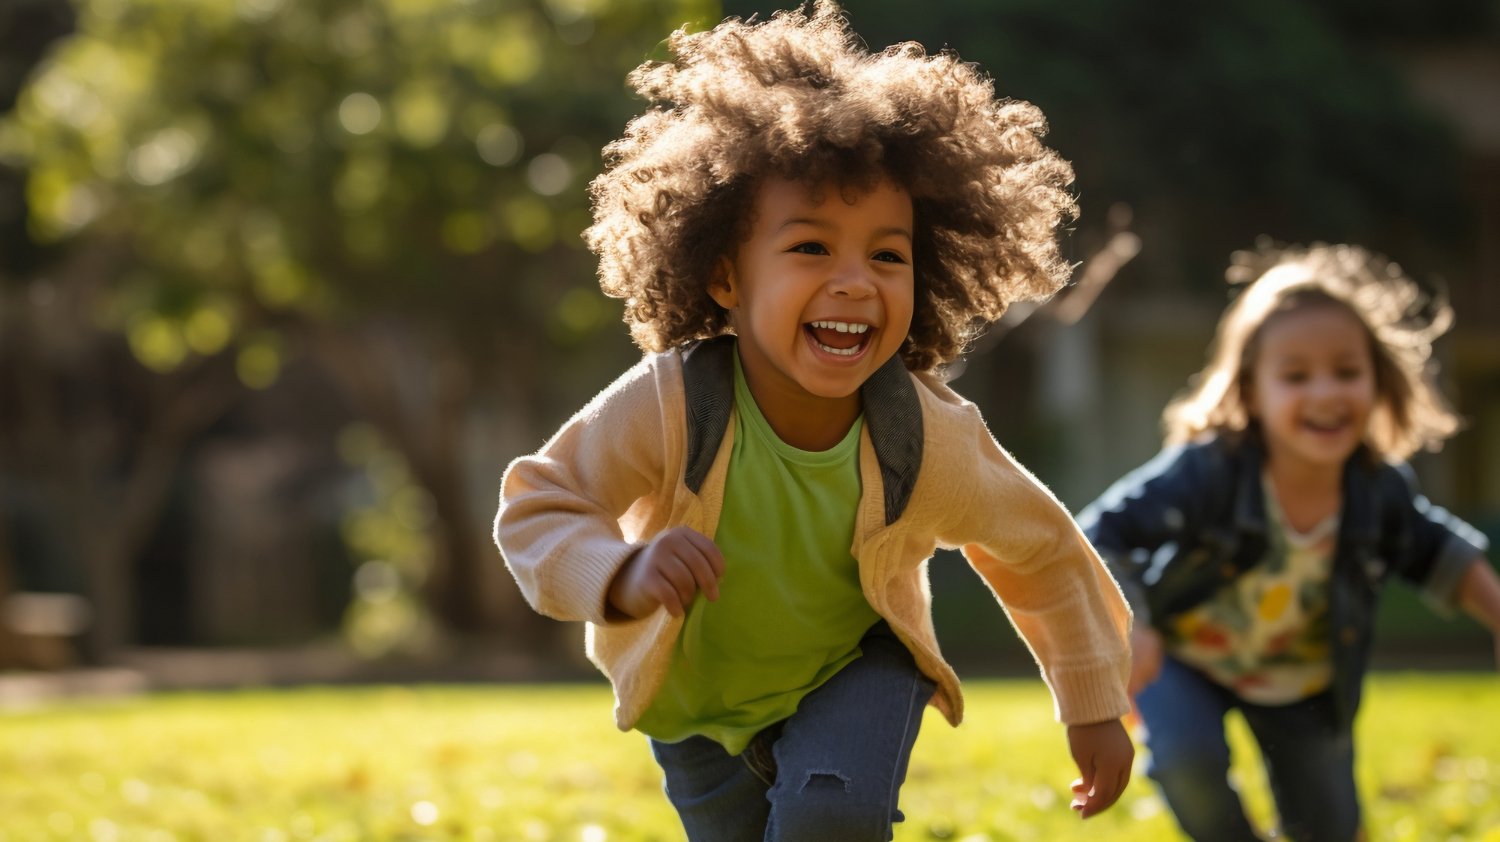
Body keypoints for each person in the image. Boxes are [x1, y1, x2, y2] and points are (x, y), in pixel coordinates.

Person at [494, 3, 1135, 839]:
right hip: (698, 703)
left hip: (857, 664)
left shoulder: (926, 435)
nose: (854, 282)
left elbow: (1040, 548)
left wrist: (1090, 700)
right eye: (810, 249)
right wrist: (619, 571)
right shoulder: (674, 404)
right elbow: (539, 505)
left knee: (830, 815)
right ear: (724, 276)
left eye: (887, 256)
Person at [1077, 242, 1500, 842]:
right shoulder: (1209, 470)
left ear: (1376, 382)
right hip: (1185, 657)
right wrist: (1130, 624)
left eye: (1346, 372)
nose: (1326, 393)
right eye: (1296, 376)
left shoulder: (1376, 490)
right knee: (1187, 766)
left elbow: (1440, 553)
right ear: (1252, 390)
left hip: (1302, 682)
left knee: (1328, 827)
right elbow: (1099, 531)